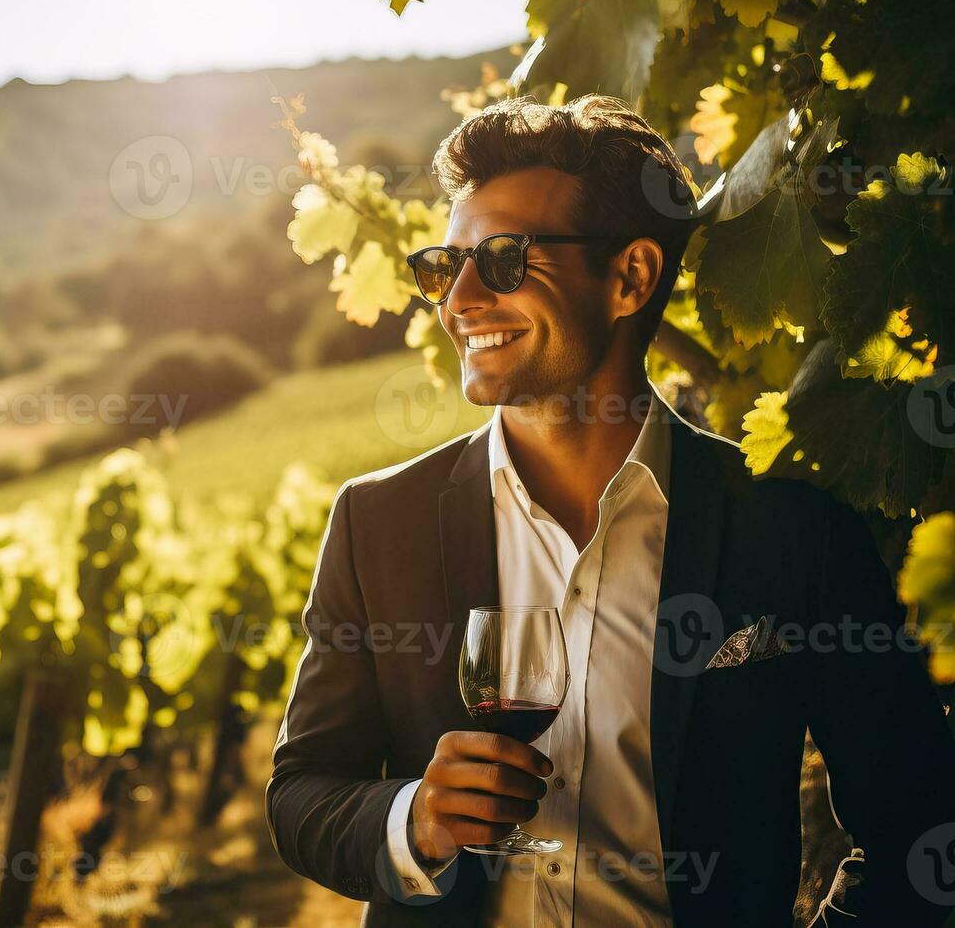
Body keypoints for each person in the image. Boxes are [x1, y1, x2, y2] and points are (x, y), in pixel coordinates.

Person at [265, 94, 955, 926]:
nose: (458, 301)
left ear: (630, 277)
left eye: (505, 260)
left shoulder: (792, 526)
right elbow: (301, 795)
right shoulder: (377, 524)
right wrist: (410, 818)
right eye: (444, 268)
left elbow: (919, 829)